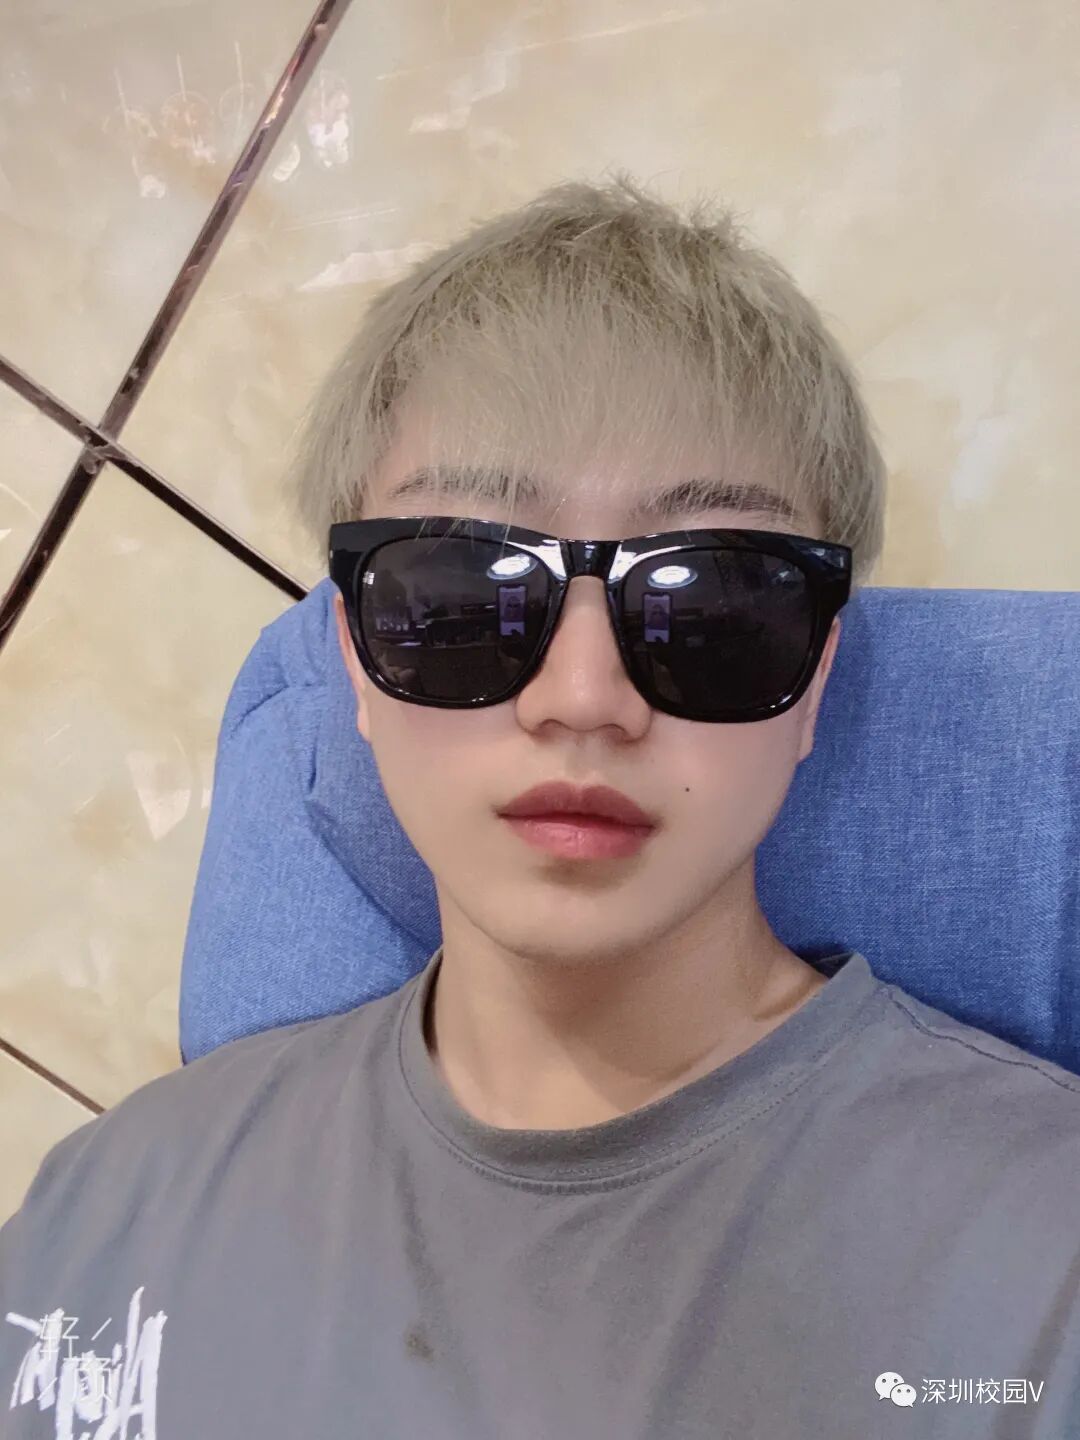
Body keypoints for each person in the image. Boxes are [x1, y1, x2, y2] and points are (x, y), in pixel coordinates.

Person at [2, 172, 1078, 1439]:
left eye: (708, 600)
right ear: (352, 655)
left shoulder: (1043, 1270)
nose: (583, 698)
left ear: (816, 675)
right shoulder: (97, 1223)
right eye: (467, 592)